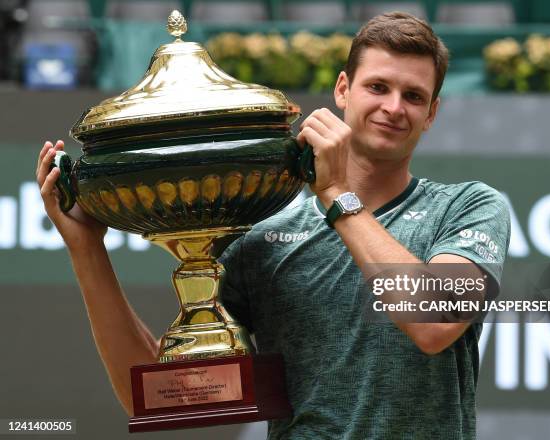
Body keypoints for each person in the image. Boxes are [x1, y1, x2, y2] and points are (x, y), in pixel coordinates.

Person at [37, 12, 510, 440]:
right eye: (378, 87)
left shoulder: (469, 207)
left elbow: (434, 322)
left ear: (432, 114)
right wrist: (86, 248)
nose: (394, 107)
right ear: (343, 88)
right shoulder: (263, 236)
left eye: (414, 96)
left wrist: (335, 194)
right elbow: (157, 396)